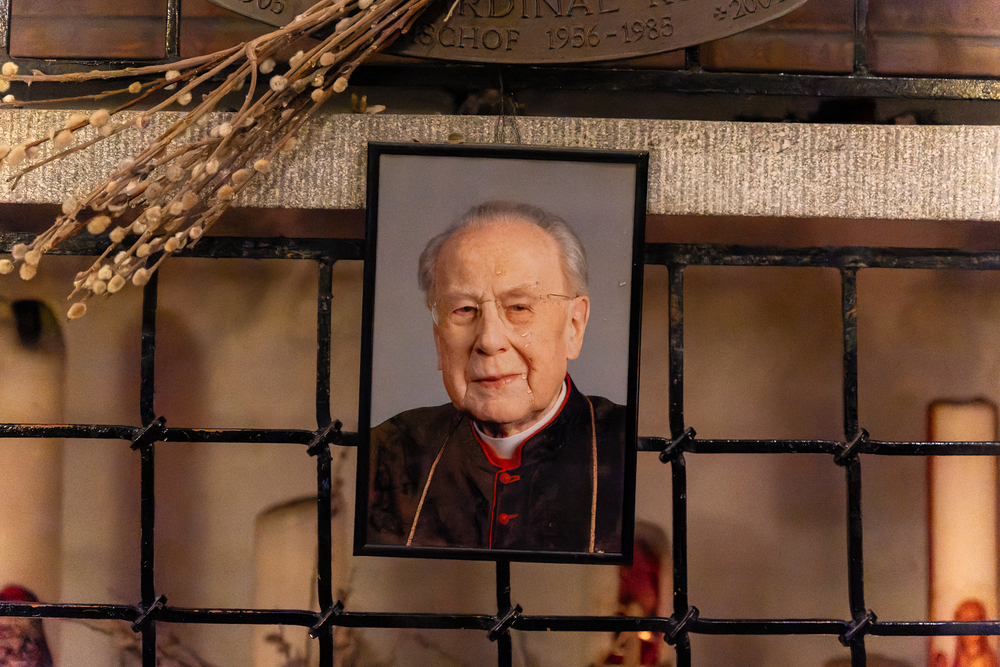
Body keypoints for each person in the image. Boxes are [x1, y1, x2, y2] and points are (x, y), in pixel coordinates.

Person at [367, 201, 626, 553]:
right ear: (439, 338)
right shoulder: (386, 451)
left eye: (519, 307)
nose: (489, 341)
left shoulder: (633, 446)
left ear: (574, 326)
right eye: (464, 310)